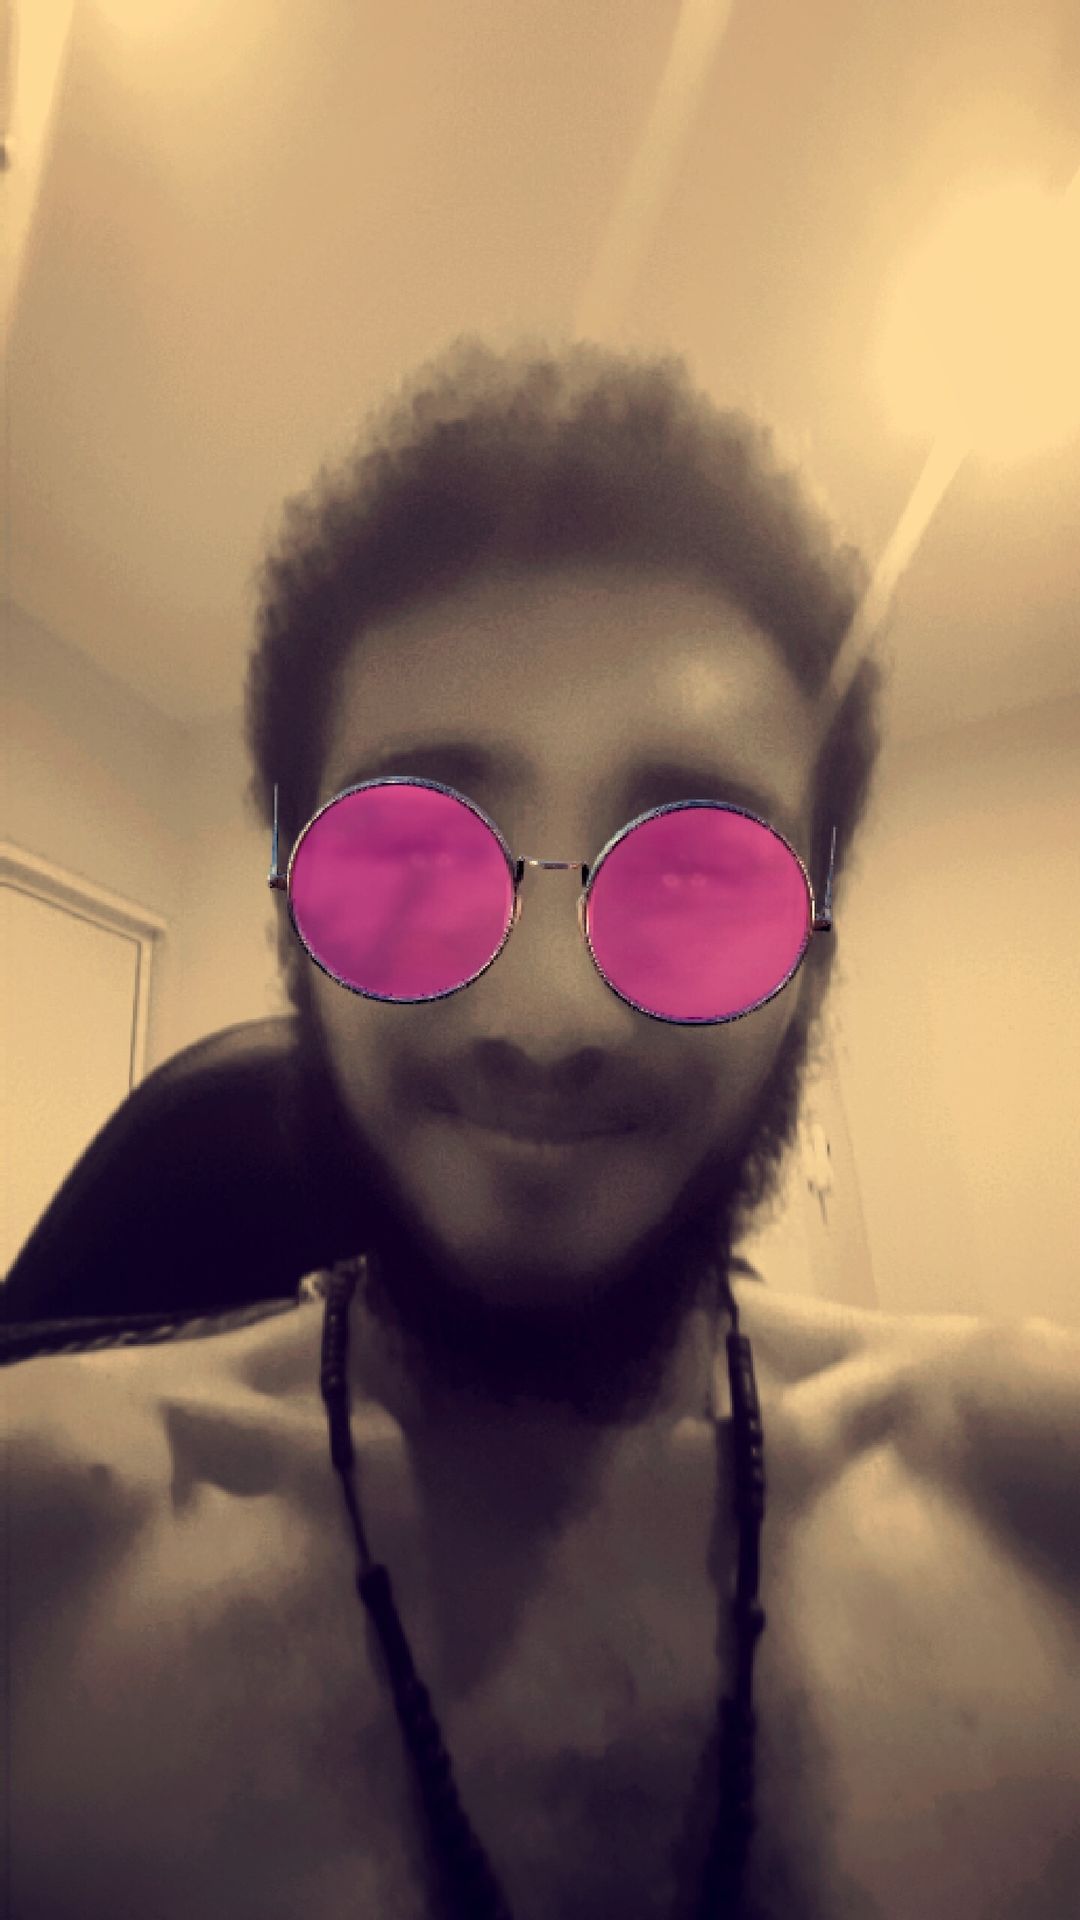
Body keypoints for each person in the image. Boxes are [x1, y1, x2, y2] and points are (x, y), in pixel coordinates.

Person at [5, 337, 1078, 1919]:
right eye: (412, 855)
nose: (551, 1015)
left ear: (812, 956)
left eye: (699, 871)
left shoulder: (1042, 1491)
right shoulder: (33, 1551)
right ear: (292, 921)